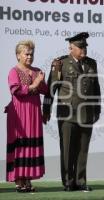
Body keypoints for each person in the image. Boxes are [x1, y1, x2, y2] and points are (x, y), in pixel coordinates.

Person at [42, 32, 101, 192]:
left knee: (83, 150)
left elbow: (96, 88)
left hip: (87, 113)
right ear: (71, 48)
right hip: (67, 113)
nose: (84, 49)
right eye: (80, 47)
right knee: (67, 149)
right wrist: (46, 109)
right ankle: (68, 182)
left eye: (85, 46)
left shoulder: (92, 64)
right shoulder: (60, 63)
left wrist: (98, 109)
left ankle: (81, 181)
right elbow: (50, 88)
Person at [5, 40, 48, 192]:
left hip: (34, 113)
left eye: (32, 54)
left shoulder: (37, 71)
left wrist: (43, 82)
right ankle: (18, 180)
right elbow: (16, 91)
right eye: (26, 54)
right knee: (20, 145)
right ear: (18, 55)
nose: (30, 57)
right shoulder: (13, 71)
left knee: (30, 145)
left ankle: (28, 178)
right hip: (18, 114)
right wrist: (35, 84)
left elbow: (46, 91)